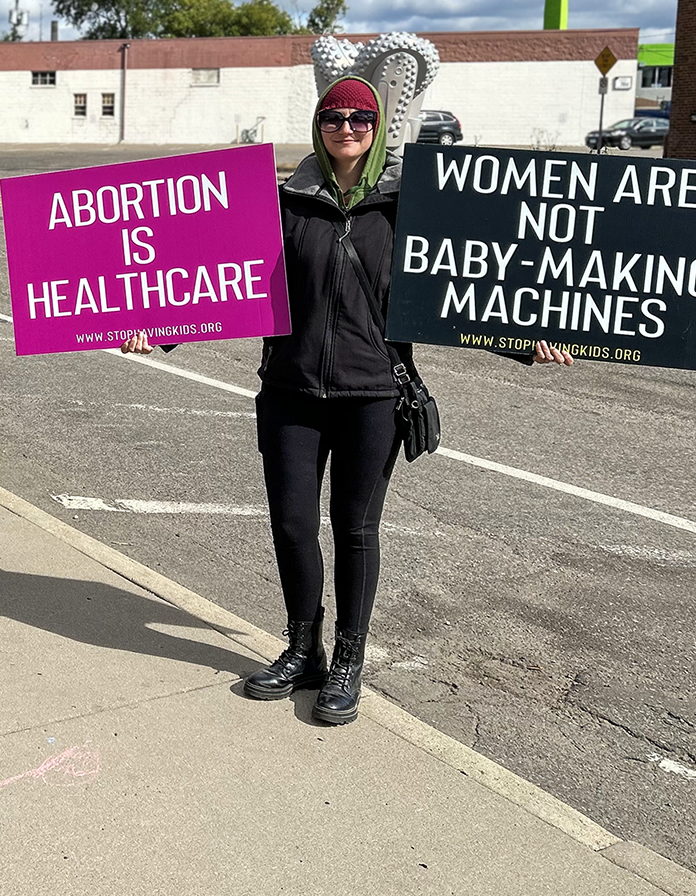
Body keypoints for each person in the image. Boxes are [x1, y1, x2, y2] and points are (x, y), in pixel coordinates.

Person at [126, 75, 570, 725]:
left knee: (355, 528)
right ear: (318, 125)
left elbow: (461, 290)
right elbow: (220, 283)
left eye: (360, 116)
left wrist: (524, 339)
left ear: (378, 125)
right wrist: (157, 330)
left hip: (371, 395)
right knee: (292, 525)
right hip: (289, 392)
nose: (346, 127)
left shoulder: (408, 207)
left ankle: (346, 661)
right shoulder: (281, 201)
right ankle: (302, 647)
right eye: (333, 116)